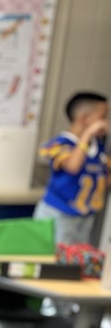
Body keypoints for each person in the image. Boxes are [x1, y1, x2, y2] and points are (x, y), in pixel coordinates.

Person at [33, 91, 109, 246]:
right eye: (102, 117)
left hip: (84, 217)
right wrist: (87, 135)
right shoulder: (60, 144)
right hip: (58, 215)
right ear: (83, 118)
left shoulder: (98, 148)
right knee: (53, 263)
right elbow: (73, 167)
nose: (106, 123)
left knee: (76, 263)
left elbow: (104, 179)